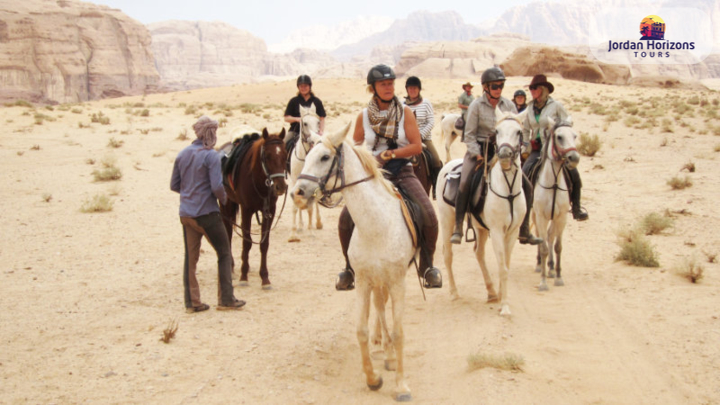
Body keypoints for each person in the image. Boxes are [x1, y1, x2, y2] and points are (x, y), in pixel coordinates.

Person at [335, 65, 442, 291]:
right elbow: (355, 147)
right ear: (372, 88)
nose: (388, 87)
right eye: (383, 84)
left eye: (391, 83)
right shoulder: (363, 116)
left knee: (428, 214)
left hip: (402, 170)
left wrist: (390, 153)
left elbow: (415, 146)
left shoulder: (406, 112)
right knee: (345, 219)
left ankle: (428, 266)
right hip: (373, 174)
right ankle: (349, 268)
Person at [450, 67, 542, 245]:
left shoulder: (509, 105)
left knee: (527, 186)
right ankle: (458, 226)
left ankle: (523, 229)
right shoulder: (476, 106)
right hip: (479, 150)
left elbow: (517, 130)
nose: (498, 89)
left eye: (500, 85)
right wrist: (476, 155)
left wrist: (520, 148)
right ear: (486, 87)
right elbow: (469, 135)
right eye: (494, 86)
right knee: (465, 181)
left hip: (503, 151)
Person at [171, 116, 246, 313]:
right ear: (211, 133)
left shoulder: (182, 154)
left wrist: (190, 195)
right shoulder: (211, 156)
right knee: (224, 253)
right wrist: (224, 200)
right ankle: (226, 299)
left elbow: (174, 185)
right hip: (207, 214)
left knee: (190, 258)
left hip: (186, 213)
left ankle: (192, 303)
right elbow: (216, 186)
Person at [520, 74, 588, 237]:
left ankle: (577, 208)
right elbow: (525, 129)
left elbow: (567, 123)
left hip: (555, 149)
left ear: (543, 89)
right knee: (524, 174)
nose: (531, 91)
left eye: (534, 88)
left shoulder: (556, 105)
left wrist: (558, 133)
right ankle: (524, 220)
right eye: (530, 88)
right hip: (537, 149)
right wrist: (525, 146)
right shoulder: (529, 108)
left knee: (574, 175)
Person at [403, 76, 442, 199]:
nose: (412, 90)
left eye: (415, 88)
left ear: (419, 89)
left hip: (424, 138)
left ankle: (437, 188)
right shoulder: (401, 104)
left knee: (436, 160)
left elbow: (431, 122)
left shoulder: (426, 103)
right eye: (410, 88)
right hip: (406, 139)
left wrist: (419, 136)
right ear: (407, 90)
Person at [283, 74, 326, 149]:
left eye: (305, 86)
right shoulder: (293, 101)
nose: (303, 88)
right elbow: (286, 118)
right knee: (284, 145)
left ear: (310, 86)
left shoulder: (317, 101)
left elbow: (322, 118)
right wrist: (297, 119)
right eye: (301, 86)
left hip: (314, 131)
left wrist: (321, 131)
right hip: (295, 131)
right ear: (298, 87)